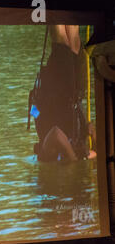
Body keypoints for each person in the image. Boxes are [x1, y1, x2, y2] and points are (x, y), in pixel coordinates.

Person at [33, 25, 96, 162]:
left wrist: (72, 158)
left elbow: (56, 133)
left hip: (56, 92)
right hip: (73, 94)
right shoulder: (79, 151)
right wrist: (93, 136)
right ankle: (70, 8)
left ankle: (57, 9)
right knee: (74, 45)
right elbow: (93, 153)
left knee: (61, 43)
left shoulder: (48, 156)